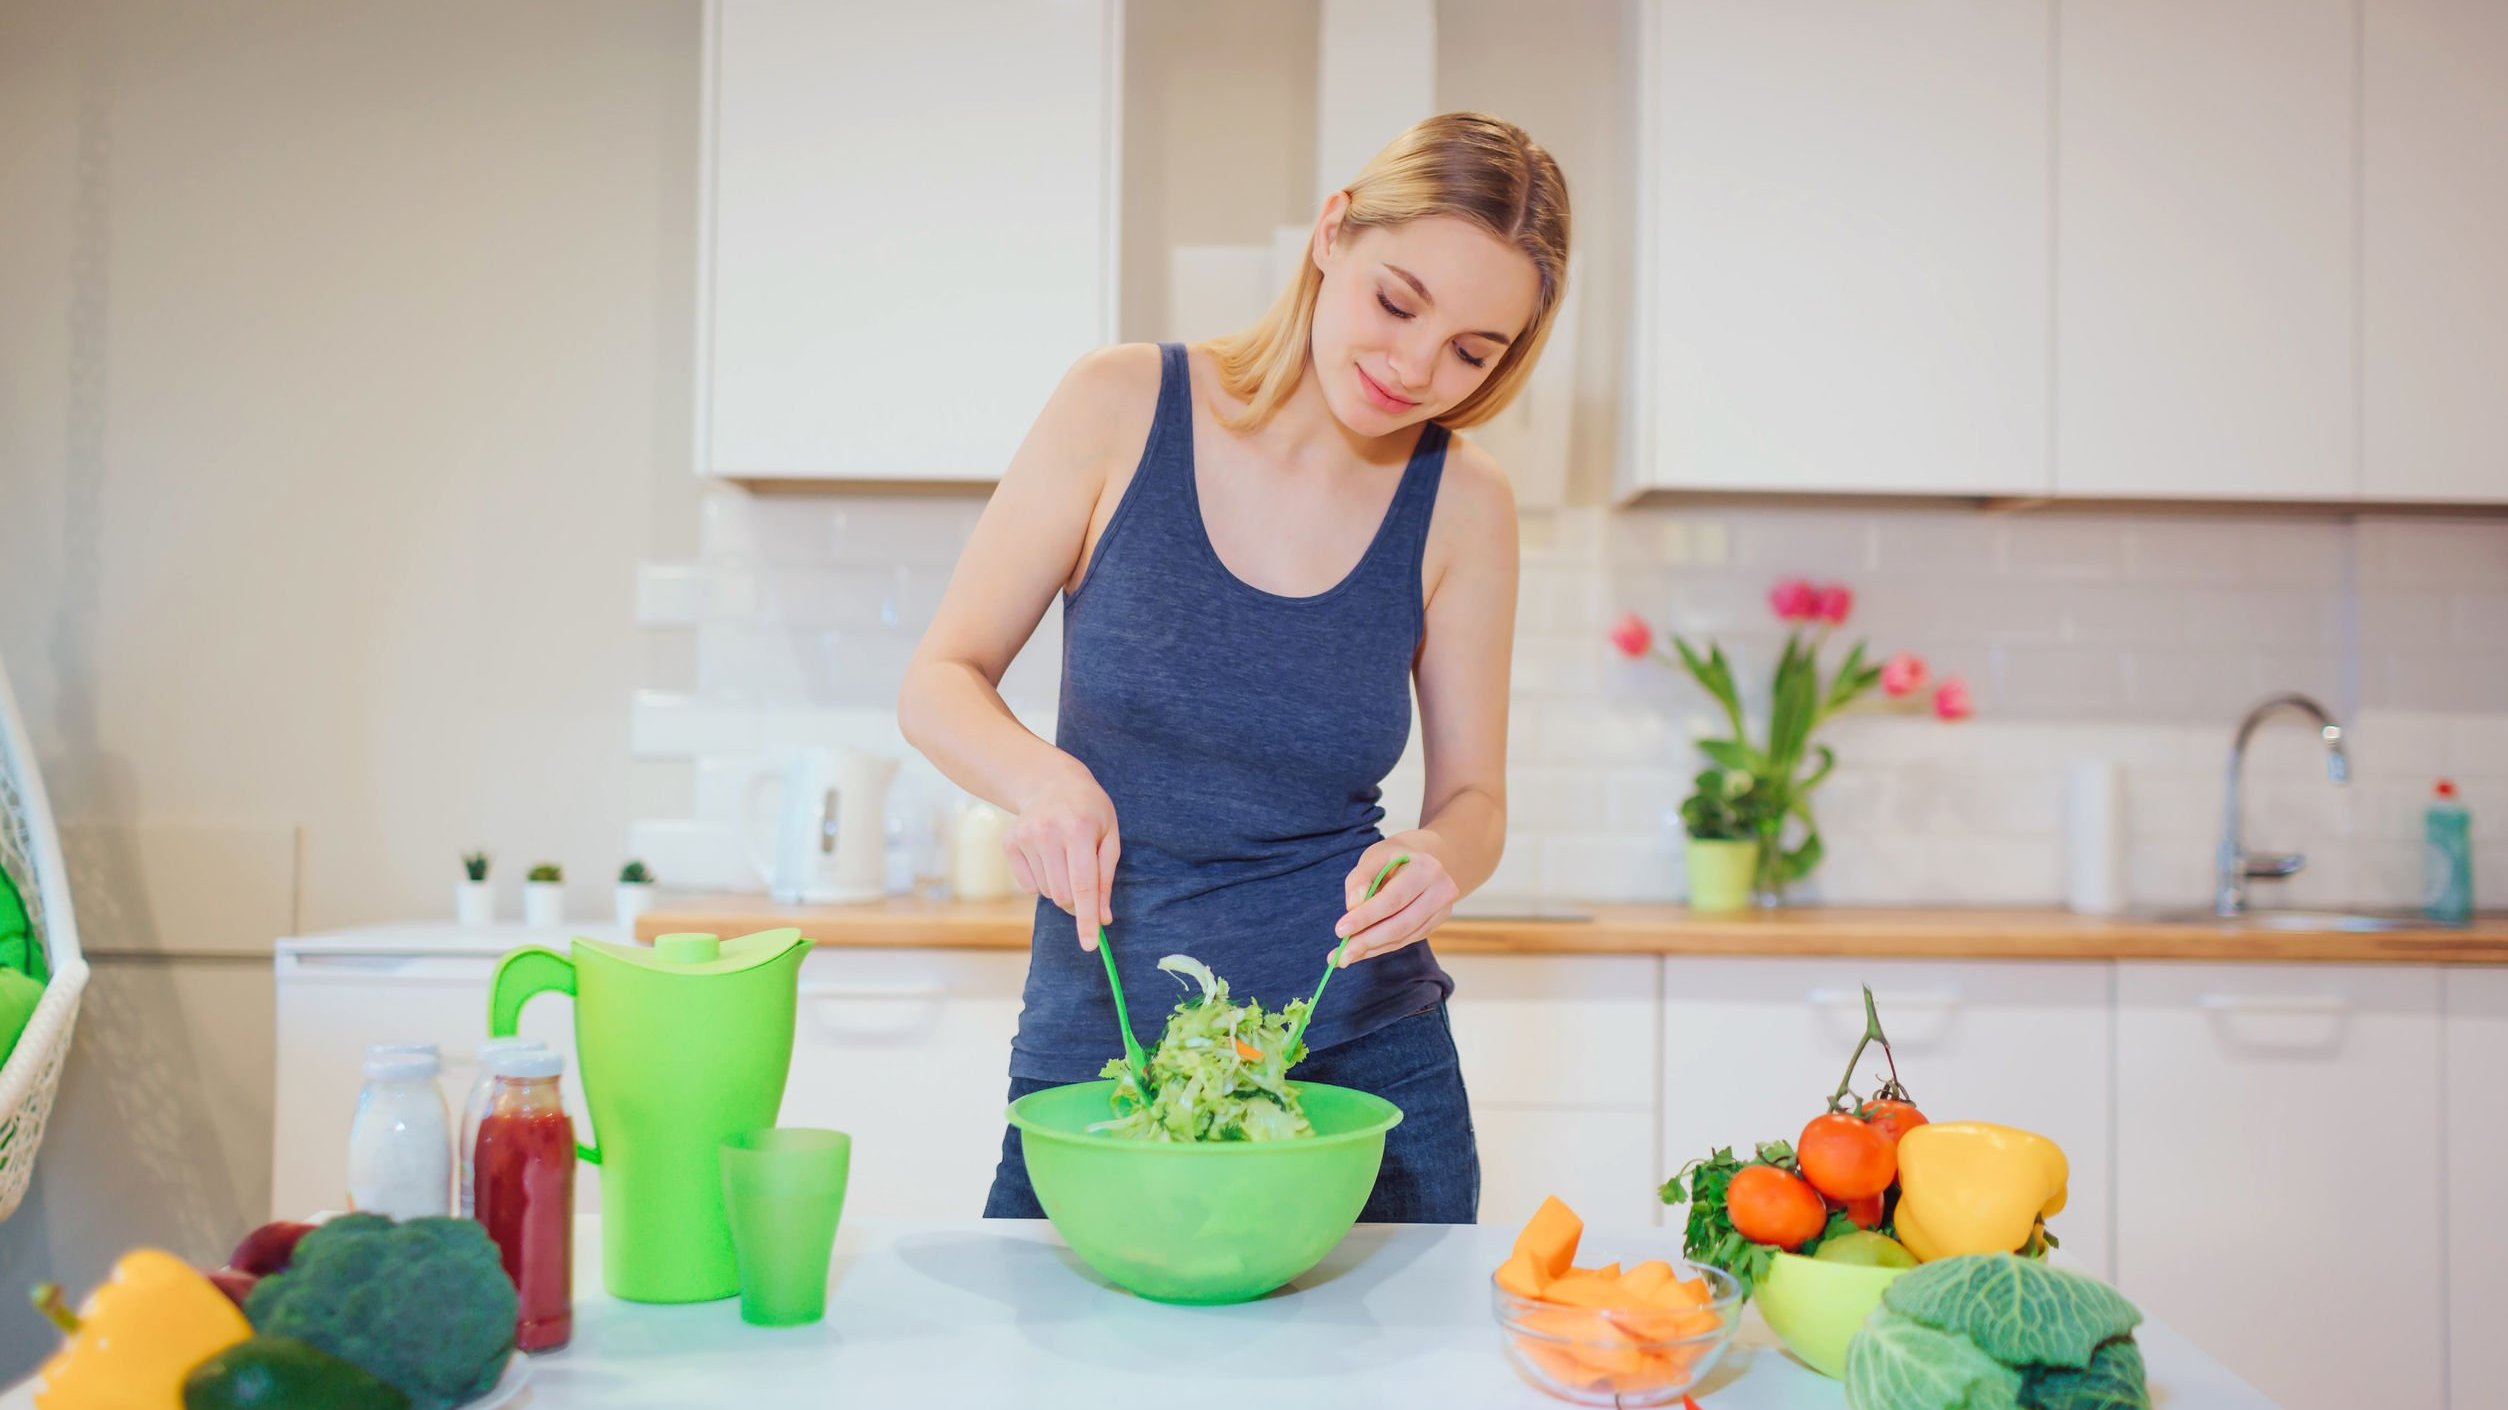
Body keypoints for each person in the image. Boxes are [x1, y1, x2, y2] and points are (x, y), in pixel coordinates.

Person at [898, 111, 1570, 1223]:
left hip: (1364, 1063)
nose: (1416, 366)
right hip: (1101, 1062)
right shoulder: (1120, 406)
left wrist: (1444, 853)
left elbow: (1476, 798)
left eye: (1472, 351)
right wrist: (1045, 778)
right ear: (1332, 234)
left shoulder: (1465, 502)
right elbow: (940, 679)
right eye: (1398, 302)